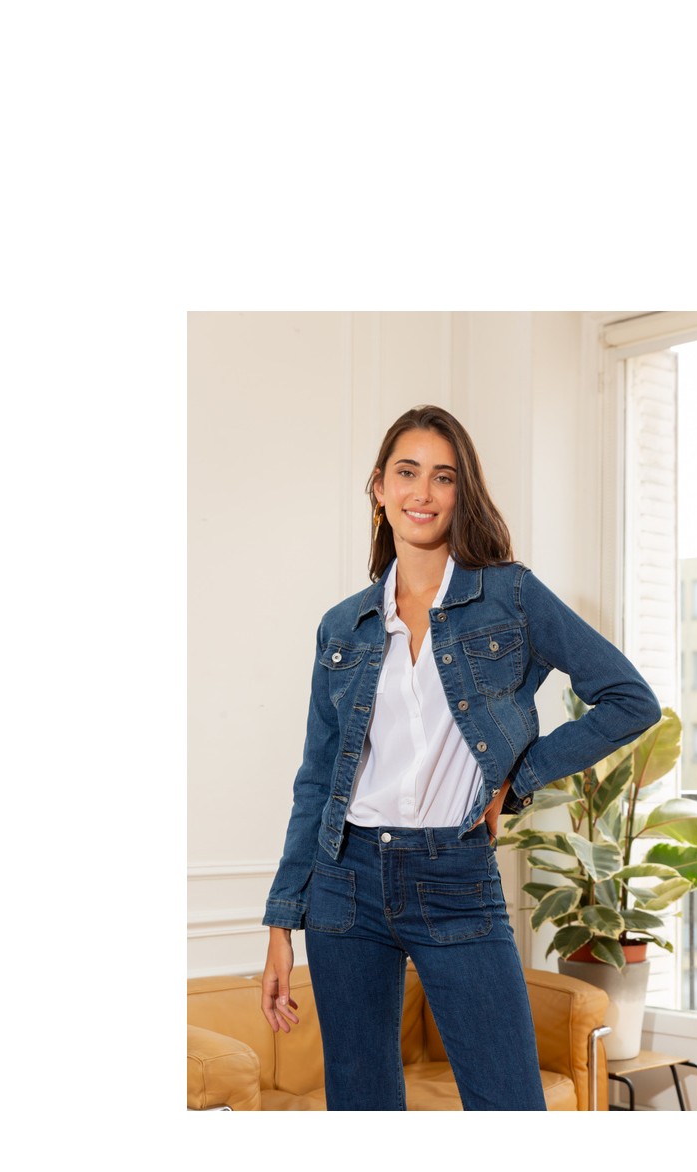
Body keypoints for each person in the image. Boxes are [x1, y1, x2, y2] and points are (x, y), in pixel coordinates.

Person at [260, 404, 660, 1110]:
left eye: (443, 477)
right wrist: (280, 923)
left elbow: (630, 700)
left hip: (455, 874)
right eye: (407, 472)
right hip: (344, 882)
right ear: (378, 487)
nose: (423, 492)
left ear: (461, 492)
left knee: (508, 1103)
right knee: (360, 1107)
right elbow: (316, 780)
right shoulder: (343, 626)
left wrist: (517, 780)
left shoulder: (509, 597)